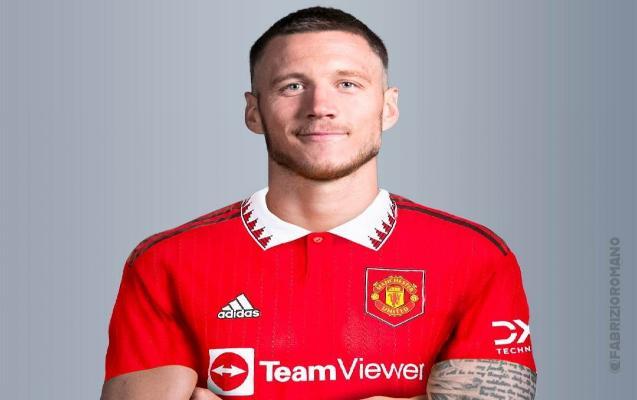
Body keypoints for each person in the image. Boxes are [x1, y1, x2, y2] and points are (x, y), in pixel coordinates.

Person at [101, 6, 537, 400]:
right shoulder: (165, 262)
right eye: (292, 86)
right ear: (254, 112)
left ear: (388, 107)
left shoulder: (476, 256)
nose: (320, 106)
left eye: (347, 84)